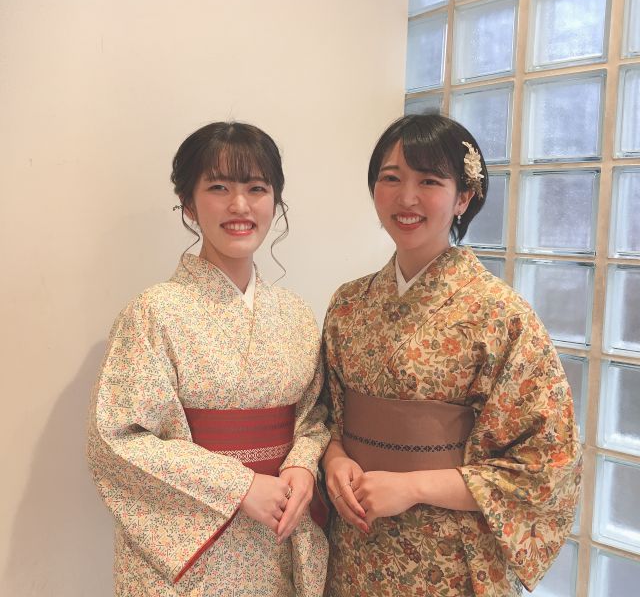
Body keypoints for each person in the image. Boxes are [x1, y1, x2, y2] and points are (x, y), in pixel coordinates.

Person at [321, 114, 581, 596]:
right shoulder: (348, 303)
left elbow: (546, 464)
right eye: (391, 178)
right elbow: (329, 416)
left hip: (448, 550)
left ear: (464, 197)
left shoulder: (500, 313)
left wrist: (413, 486)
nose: (407, 198)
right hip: (357, 543)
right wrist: (335, 458)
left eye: (429, 181)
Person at [87, 121, 329, 597]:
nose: (240, 205)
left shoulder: (296, 314)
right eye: (218, 188)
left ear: (275, 201)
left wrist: (302, 465)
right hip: (195, 551)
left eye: (256, 188)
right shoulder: (153, 312)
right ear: (189, 203)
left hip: (278, 532)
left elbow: (314, 415)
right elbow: (115, 439)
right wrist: (239, 486)